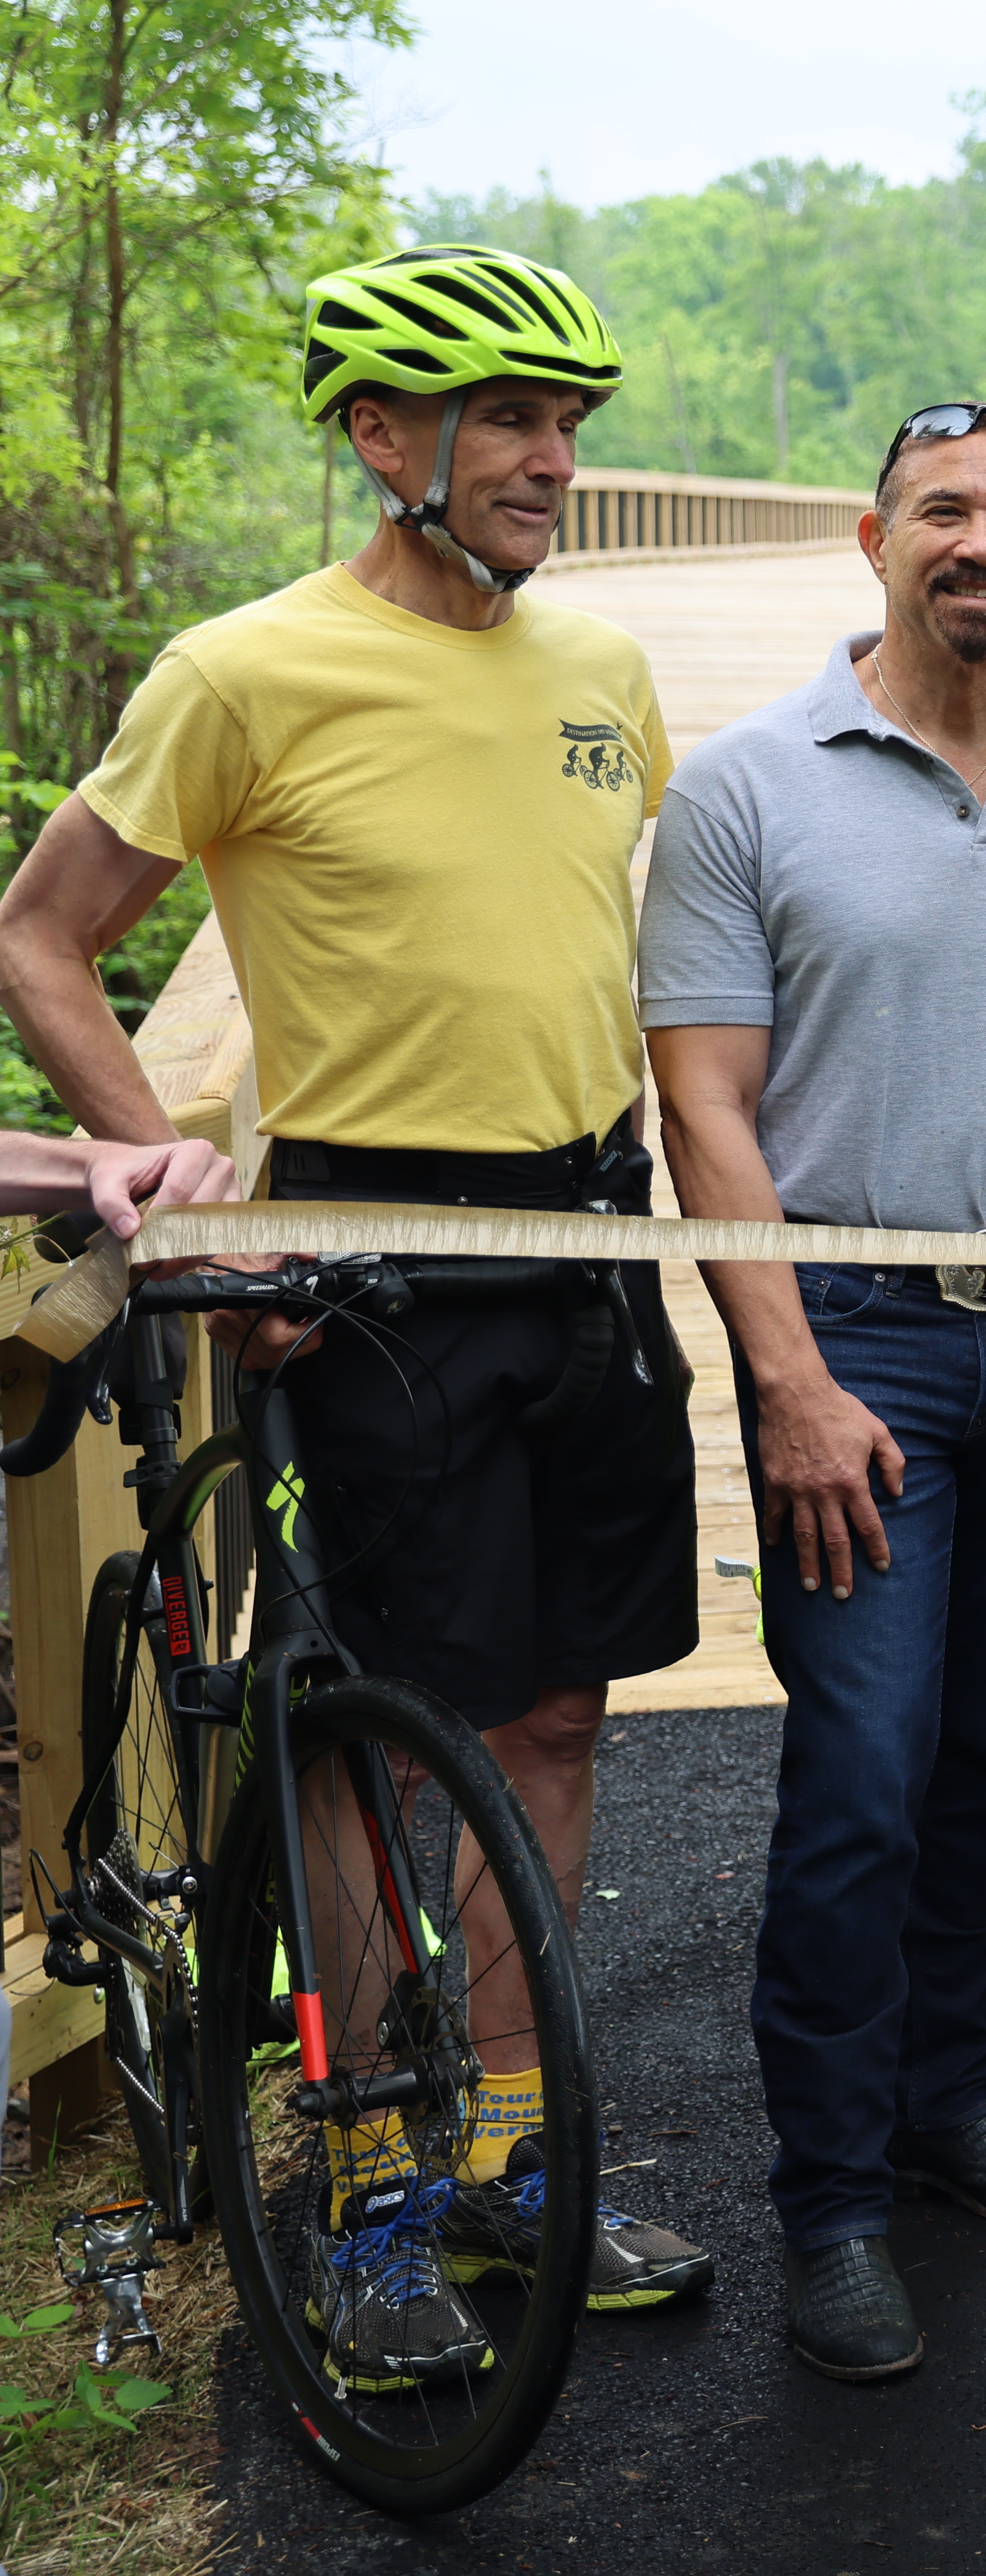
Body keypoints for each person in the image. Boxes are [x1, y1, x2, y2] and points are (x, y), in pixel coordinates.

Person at [0, 243, 716, 2386]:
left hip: (589, 1247)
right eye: (507, 418)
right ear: (383, 438)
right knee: (368, 1732)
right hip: (369, 1268)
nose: (552, 461)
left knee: (558, 1717)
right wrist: (157, 1172)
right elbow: (43, 944)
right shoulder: (244, 674)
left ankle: (506, 2144)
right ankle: (370, 2180)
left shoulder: (601, 667)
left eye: (567, 421)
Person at [646, 401, 986, 2377]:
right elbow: (701, 1101)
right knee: (861, 1777)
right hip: (847, 1332)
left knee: (983, 1755)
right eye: (947, 512)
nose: (985, 544)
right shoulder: (745, 789)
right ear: (871, 537)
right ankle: (832, 2200)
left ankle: (946, 2110)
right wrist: (783, 1371)